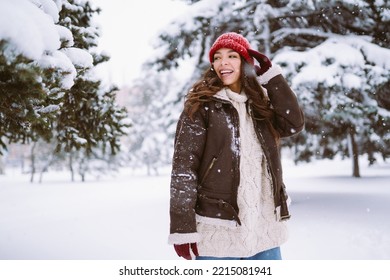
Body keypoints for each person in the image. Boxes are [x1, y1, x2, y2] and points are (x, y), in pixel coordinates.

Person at [168, 32, 304, 260]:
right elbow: (184, 169)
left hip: (263, 224)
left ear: (245, 62)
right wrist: (182, 227)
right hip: (220, 226)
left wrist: (272, 77)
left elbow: (293, 124)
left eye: (232, 56)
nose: (224, 63)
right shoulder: (200, 106)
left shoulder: (261, 103)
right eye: (217, 57)